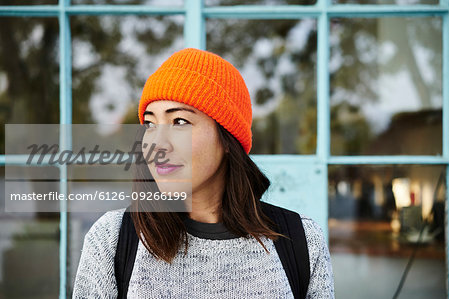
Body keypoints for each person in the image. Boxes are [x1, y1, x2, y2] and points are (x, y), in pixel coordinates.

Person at [72, 48, 335, 298]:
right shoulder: (113, 238)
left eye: (180, 122)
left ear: (227, 138)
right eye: (150, 124)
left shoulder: (301, 240)